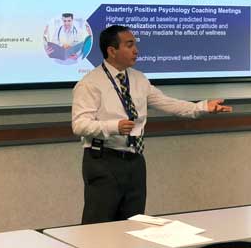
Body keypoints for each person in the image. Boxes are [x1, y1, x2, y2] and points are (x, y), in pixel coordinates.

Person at [71, 25, 232, 224]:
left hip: (135, 161)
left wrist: (203, 107)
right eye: (129, 45)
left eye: (135, 45)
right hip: (104, 160)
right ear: (112, 51)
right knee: (98, 226)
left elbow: (168, 103)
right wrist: (113, 126)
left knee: (134, 224)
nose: (136, 50)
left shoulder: (139, 79)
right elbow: (79, 125)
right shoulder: (90, 83)